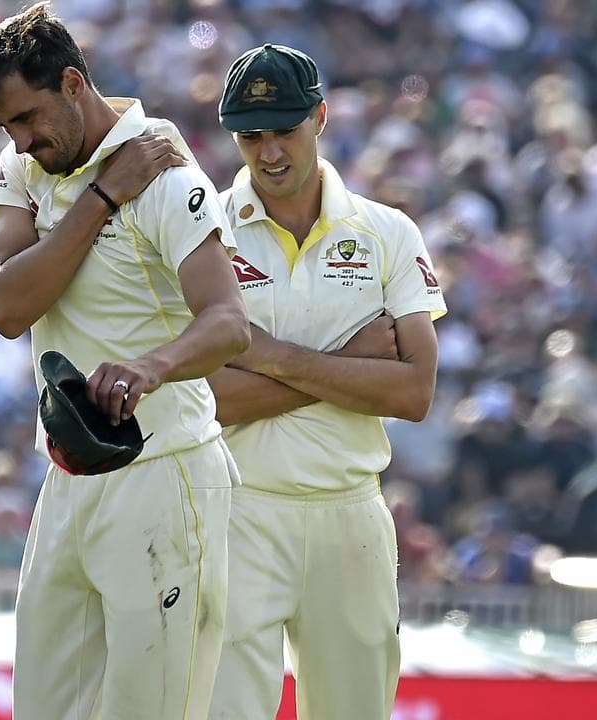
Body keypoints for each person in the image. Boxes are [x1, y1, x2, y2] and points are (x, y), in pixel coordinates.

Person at [0, 4, 250, 718]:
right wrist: (98, 198)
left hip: (163, 468)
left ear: (72, 82)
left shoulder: (160, 168)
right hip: (67, 476)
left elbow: (229, 323)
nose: (23, 142)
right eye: (8, 129)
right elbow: (6, 309)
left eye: (30, 118)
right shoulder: (37, 165)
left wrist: (152, 366)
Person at [204, 45, 447, 720]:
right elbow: (204, 398)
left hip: (351, 516)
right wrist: (351, 360)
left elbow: (413, 393)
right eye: (251, 136)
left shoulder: (388, 232)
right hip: (237, 510)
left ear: (320, 117)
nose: (270, 152)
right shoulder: (203, 233)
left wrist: (269, 356)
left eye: (285, 129)